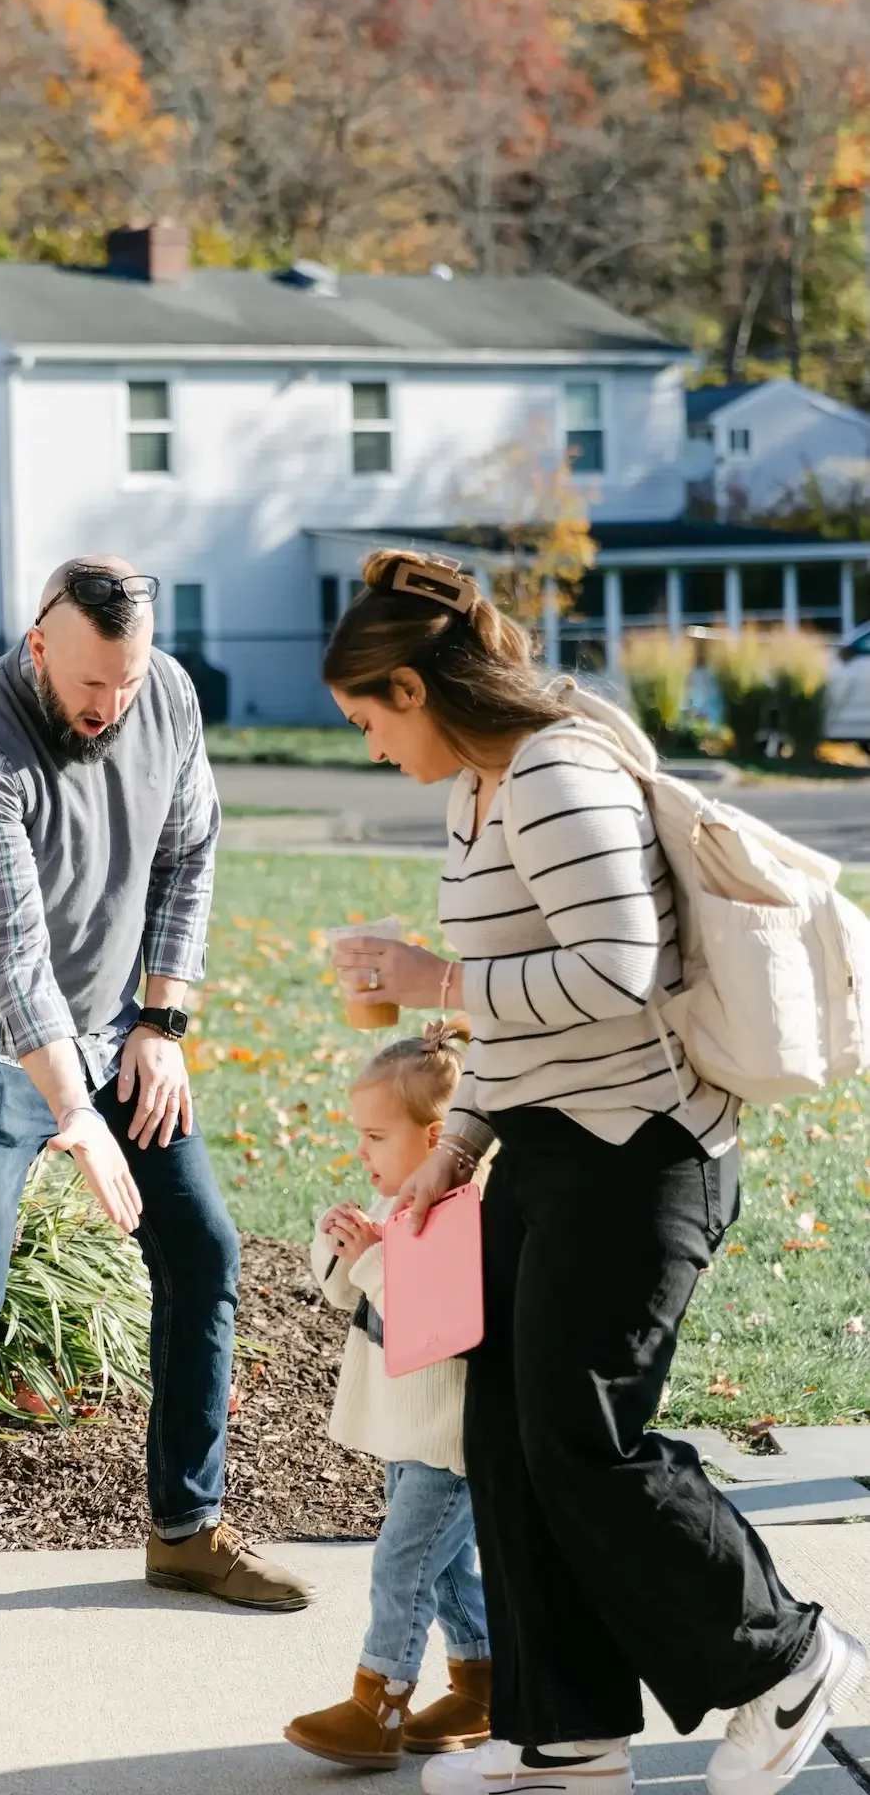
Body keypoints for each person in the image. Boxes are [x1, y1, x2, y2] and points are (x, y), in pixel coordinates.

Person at [321, 548, 865, 1795]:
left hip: (644, 1153)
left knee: (582, 1435)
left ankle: (787, 1657)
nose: (366, 748)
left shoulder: (558, 773)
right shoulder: (476, 784)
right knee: (509, 1436)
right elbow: (522, 1031)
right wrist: (450, 1152)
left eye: (366, 720)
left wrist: (430, 982)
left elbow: (616, 969)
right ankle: (566, 1741)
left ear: (413, 685)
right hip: (548, 1150)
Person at [0, 556, 310, 1671]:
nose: (109, 706)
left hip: (119, 1027)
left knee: (204, 1248)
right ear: (37, 643)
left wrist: (159, 1028)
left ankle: (185, 1528)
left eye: (125, 682)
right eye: (90, 683)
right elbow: (12, 954)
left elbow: (190, 853)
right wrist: (72, 1108)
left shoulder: (164, 690)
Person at [286, 1022, 491, 1773]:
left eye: (375, 1137)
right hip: (410, 1429)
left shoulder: (463, 1210)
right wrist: (343, 1250)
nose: (362, 1153)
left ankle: (380, 1706)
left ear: (436, 1135)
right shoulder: (412, 1201)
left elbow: (437, 1323)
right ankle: (483, 1684)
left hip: (446, 1437)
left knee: (402, 1565)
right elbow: (357, 1297)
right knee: (445, 1565)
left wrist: (375, 1260)